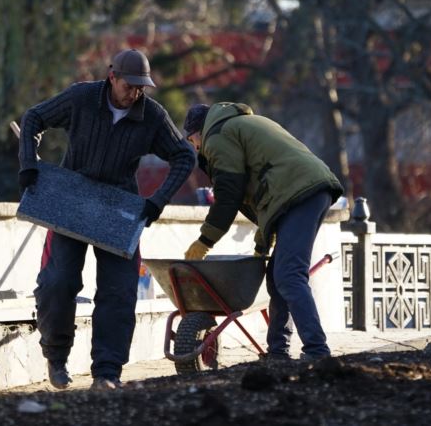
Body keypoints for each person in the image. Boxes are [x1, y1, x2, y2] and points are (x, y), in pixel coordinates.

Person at [18, 49, 195, 390]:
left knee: (119, 292)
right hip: (70, 200)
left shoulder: (152, 117)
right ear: (112, 77)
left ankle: (107, 373)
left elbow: (184, 157)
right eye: (130, 85)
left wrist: (157, 201)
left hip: (118, 209)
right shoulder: (81, 98)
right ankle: (56, 357)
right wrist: (29, 163)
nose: (136, 93)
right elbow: (33, 118)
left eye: (142, 87)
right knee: (57, 282)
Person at [182, 102, 343, 360]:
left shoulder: (218, 137)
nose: (196, 148)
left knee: (290, 275)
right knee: (277, 276)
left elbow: (229, 196)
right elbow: (262, 187)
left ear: (197, 132)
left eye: (192, 141)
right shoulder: (241, 124)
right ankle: (278, 351)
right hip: (308, 190)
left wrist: (205, 240)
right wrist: (263, 239)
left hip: (300, 193)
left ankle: (317, 350)